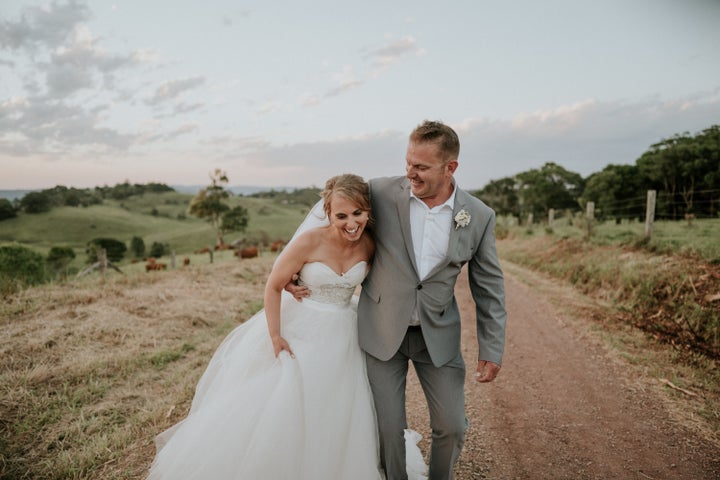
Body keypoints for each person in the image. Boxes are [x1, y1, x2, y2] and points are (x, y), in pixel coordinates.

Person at [145, 174, 427, 480]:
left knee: (344, 405)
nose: (350, 223)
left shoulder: (371, 244)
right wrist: (276, 335)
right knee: (288, 401)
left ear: (368, 211)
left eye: (357, 213)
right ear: (328, 213)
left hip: (347, 332)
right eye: (341, 215)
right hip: (303, 327)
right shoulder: (308, 241)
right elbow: (274, 285)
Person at [292, 121, 507, 479]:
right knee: (387, 431)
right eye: (409, 162)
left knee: (452, 426)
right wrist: (300, 272)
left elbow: (489, 287)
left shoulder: (479, 216)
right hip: (380, 331)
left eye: (421, 167)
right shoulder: (378, 192)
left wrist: (492, 347)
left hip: (437, 335)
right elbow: (330, 216)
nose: (411, 173)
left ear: (450, 167)